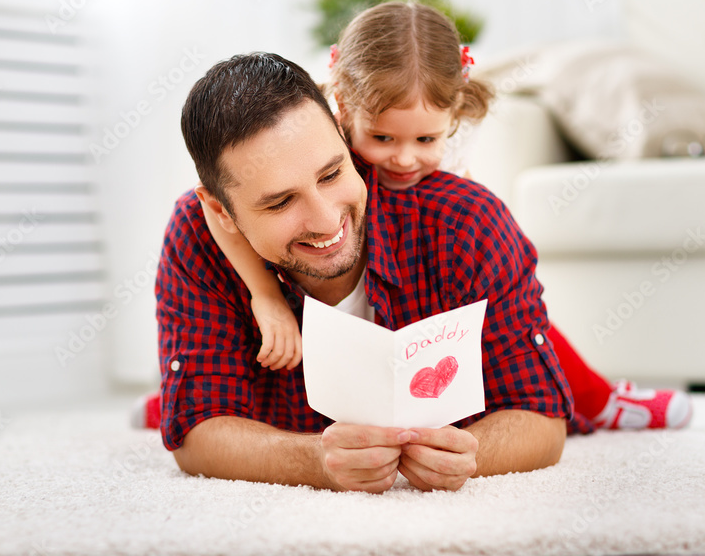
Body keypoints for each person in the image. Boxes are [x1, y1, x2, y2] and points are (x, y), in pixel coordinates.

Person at [137, 1, 692, 433]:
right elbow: (207, 212)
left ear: (454, 118)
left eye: (427, 139)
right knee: (236, 358)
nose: (404, 160)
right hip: (285, 319)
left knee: (518, 321)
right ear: (345, 110)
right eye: (381, 139)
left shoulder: (451, 201)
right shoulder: (305, 145)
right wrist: (262, 295)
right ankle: (178, 394)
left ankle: (600, 398)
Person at [155, 49, 570, 493]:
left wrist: (473, 453)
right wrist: (315, 462)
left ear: (342, 132)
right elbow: (197, 433)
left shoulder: (466, 221)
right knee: (169, 402)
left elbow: (543, 420)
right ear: (222, 211)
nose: (326, 220)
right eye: (280, 202)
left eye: (332, 174)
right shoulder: (197, 235)